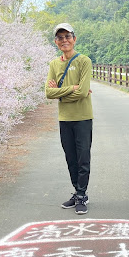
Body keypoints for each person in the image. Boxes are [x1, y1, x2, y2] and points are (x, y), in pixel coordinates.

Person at [45, 23, 93, 215]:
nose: (64, 40)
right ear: (56, 42)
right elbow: (49, 93)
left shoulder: (84, 61)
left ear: (74, 38)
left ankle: (81, 194)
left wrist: (61, 93)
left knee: (83, 158)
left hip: (82, 117)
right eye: (60, 38)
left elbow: (82, 92)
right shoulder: (54, 64)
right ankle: (77, 191)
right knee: (70, 158)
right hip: (64, 118)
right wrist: (71, 89)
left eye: (67, 36)